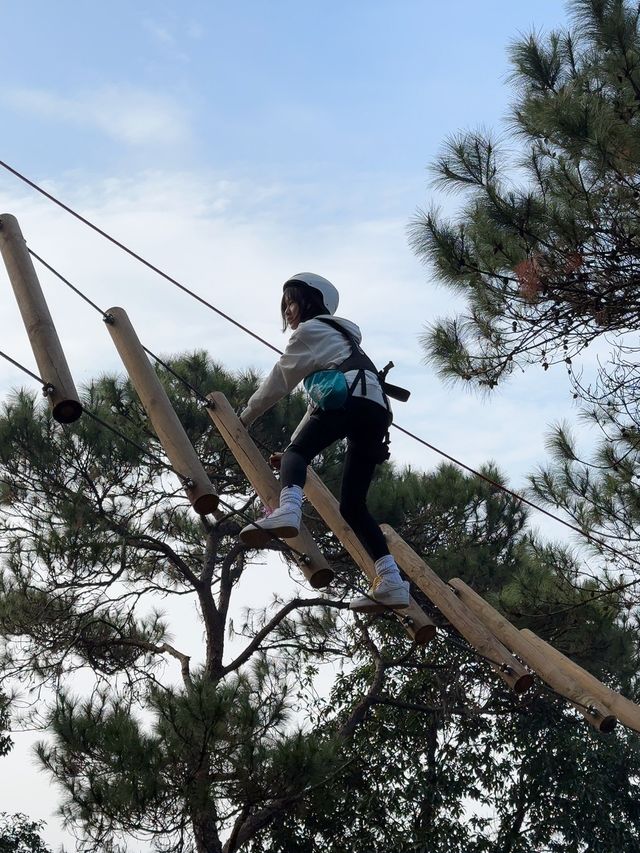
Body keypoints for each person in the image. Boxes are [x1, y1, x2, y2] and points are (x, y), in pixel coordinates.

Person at [238, 272, 409, 611]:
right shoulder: (345, 340)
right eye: (284, 304)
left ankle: (289, 511)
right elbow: (323, 405)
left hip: (350, 398)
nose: (288, 310)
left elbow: (280, 379)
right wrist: (293, 446)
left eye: (292, 301)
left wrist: (244, 417)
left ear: (311, 302)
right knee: (352, 506)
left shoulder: (310, 331)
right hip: (374, 409)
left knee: (297, 452)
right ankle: (391, 581)